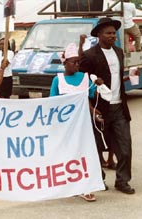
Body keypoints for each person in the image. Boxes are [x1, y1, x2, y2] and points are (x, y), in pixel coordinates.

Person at [79, 17, 136, 194]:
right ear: (99, 35)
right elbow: (83, 81)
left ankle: (122, 181)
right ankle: (98, 179)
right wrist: (93, 88)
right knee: (96, 147)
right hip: (100, 109)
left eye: (114, 33)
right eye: (109, 33)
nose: (113, 36)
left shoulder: (119, 52)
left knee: (125, 148)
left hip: (119, 107)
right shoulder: (89, 55)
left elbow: (115, 77)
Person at [50, 43, 101, 202]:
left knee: (84, 153)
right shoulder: (57, 80)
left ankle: (85, 186)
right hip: (65, 125)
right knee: (67, 153)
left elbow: (91, 97)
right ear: (65, 63)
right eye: (73, 62)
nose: (77, 65)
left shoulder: (84, 77)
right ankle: (69, 184)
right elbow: (52, 103)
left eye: (78, 62)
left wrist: (97, 86)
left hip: (83, 123)